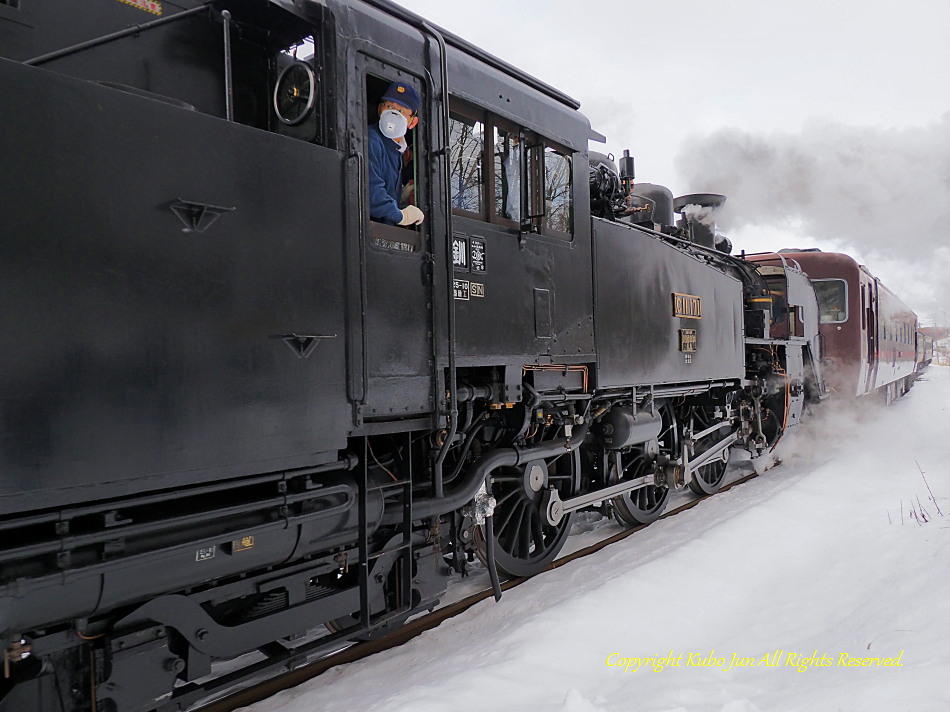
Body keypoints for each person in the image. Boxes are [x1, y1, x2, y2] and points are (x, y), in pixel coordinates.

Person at [368, 81, 424, 226]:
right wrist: (400, 215)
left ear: (412, 122)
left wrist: (401, 199)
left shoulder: (397, 151)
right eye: (389, 107)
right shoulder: (371, 139)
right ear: (381, 109)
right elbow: (370, 191)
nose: (393, 114)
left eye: (401, 112)